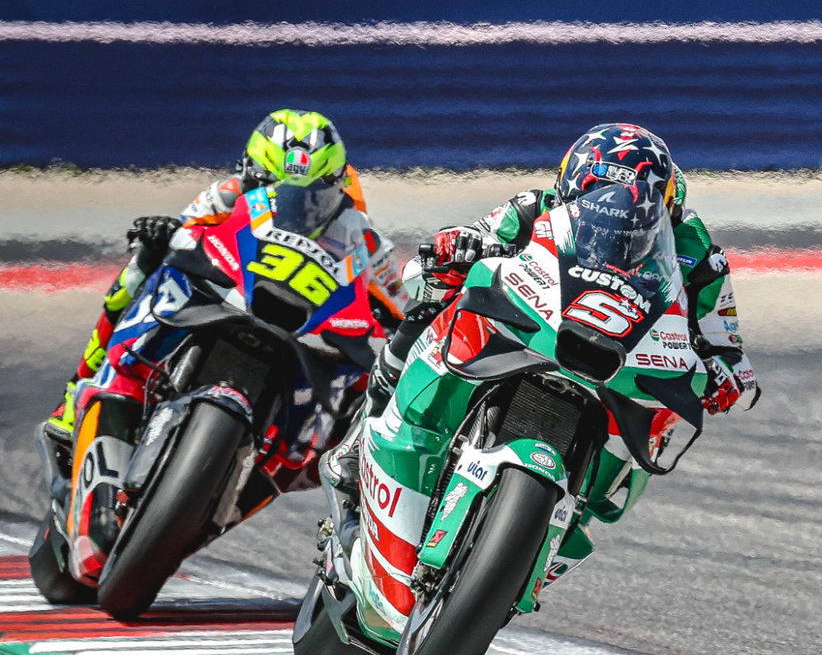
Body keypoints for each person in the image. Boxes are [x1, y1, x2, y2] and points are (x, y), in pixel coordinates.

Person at [358, 122, 754, 420]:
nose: (612, 216)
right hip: (530, 326)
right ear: (567, 191)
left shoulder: (700, 258)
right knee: (433, 301)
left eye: (635, 207)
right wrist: (456, 246)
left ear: (665, 211)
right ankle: (372, 421)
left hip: (623, 368)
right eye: (595, 200)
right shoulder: (534, 206)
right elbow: (468, 238)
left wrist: (726, 376)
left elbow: (733, 355)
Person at [43, 109, 378, 442]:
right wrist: (160, 235)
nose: (288, 202)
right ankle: (77, 391)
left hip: (304, 312)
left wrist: (381, 311)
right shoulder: (228, 192)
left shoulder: (349, 211)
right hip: (230, 286)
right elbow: (186, 231)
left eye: (313, 194)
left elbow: (367, 268)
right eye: (269, 185)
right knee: (140, 270)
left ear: (336, 185)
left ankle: (321, 456)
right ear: (249, 171)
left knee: (370, 374)